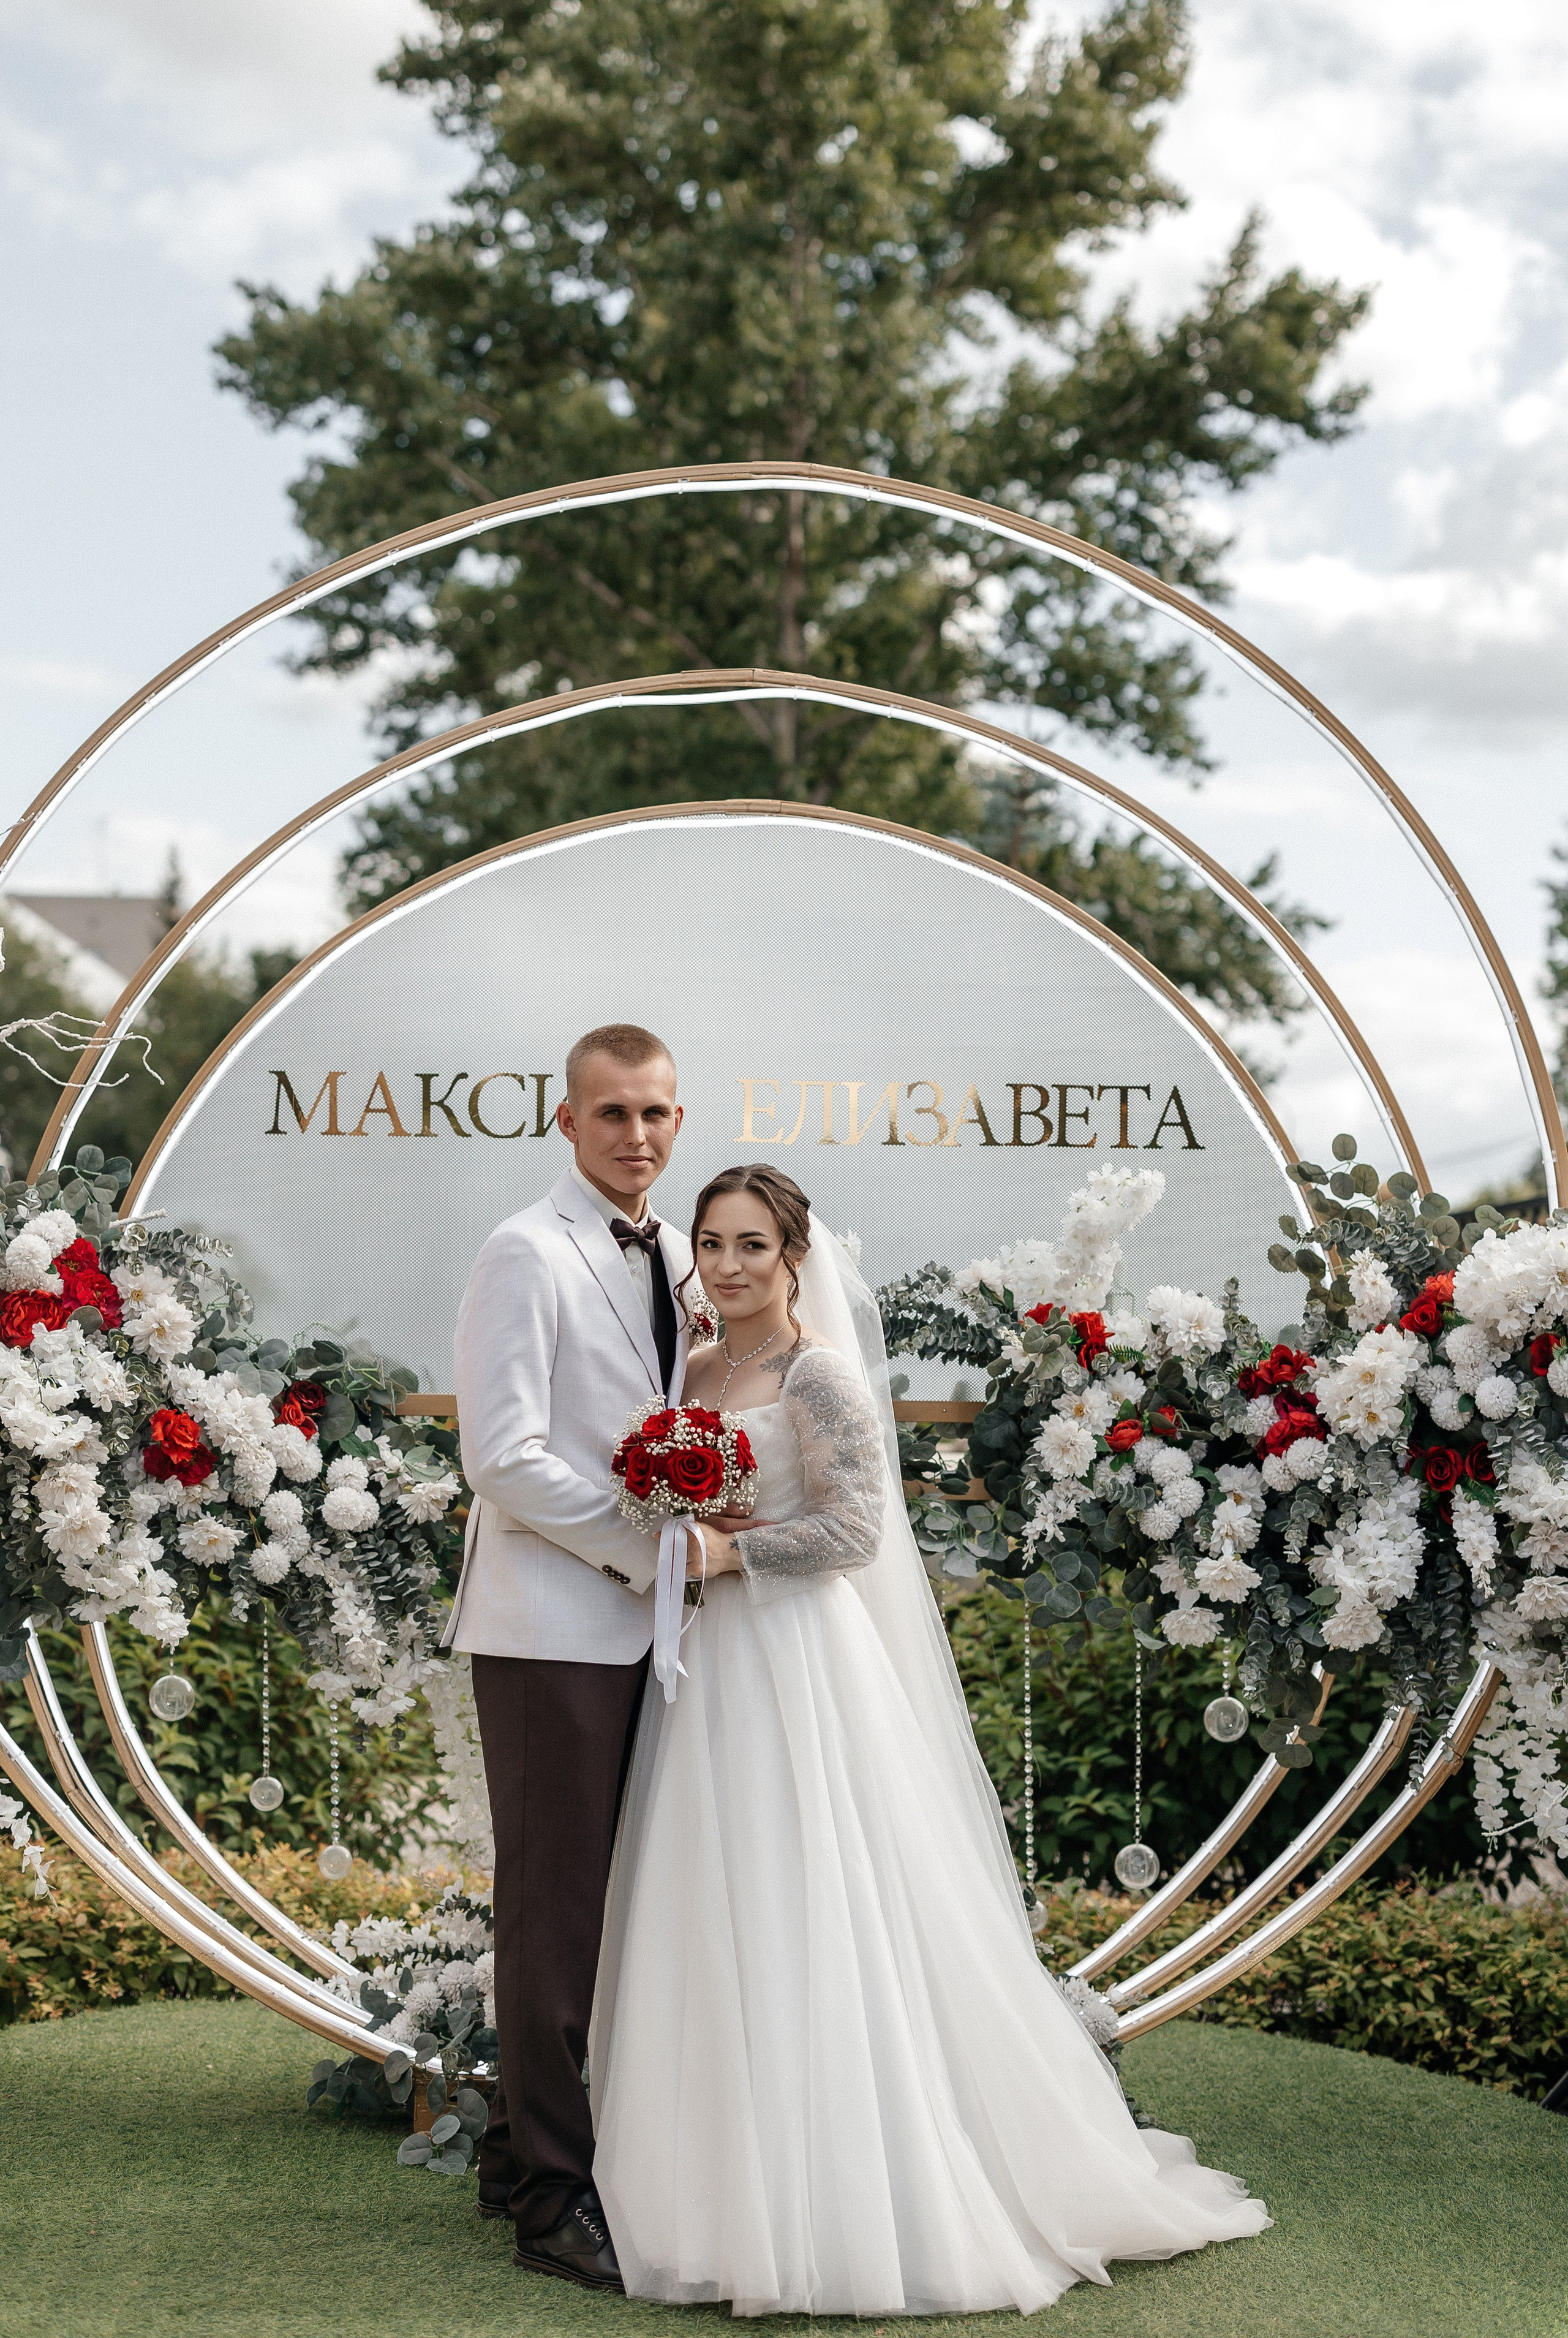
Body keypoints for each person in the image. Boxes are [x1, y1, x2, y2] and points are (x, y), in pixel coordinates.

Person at [587, 1163, 1271, 2316]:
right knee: (715, 1892)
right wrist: (671, 1516)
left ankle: (855, 2194)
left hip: (799, 1656)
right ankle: (710, 2192)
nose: (729, 1265)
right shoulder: (694, 1369)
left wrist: (729, 1551)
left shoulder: (817, 1372)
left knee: (817, 1893)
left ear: (794, 1257)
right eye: (711, 1244)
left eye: (753, 1244)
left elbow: (855, 1529)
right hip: (708, 1670)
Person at [445, 1022, 693, 2288]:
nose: (635, 1135)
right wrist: (644, 1547)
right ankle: (552, 2199)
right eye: (612, 1113)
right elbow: (499, 1455)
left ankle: (508, 2153)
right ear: (567, 1121)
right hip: (552, 1627)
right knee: (557, 1909)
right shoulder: (524, 1250)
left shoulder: (684, 1254)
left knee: (619, 1899)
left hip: (656, 1631)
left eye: (655, 1113)